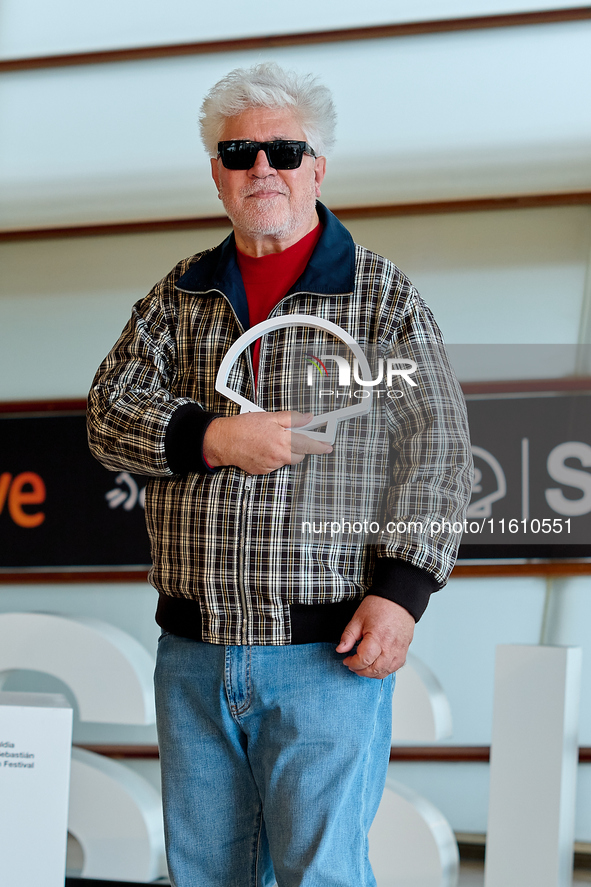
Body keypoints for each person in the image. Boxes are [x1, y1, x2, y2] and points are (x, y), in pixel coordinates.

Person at [87, 62, 472, 887]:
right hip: (191, 652)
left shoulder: (380, 300)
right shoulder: (177, 296)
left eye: (284, 149)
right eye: (239, 151)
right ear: (218, 172)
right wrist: (215, 437)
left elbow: (439, 455)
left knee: (320, 872)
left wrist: (400, 593)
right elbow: (107, 416)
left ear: (316, 168)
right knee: (204, 874)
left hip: (324, 652)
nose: (262, 166)